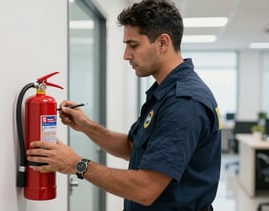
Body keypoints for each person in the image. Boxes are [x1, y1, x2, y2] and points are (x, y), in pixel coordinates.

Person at [26, 0, 221, 210]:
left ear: (163, 43)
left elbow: (145, 189)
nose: (126, 55)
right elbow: (131, 147)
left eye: (133, 45)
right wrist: (85, 126)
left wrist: (76, 164)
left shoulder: (183, 103)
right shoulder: (164, 94)